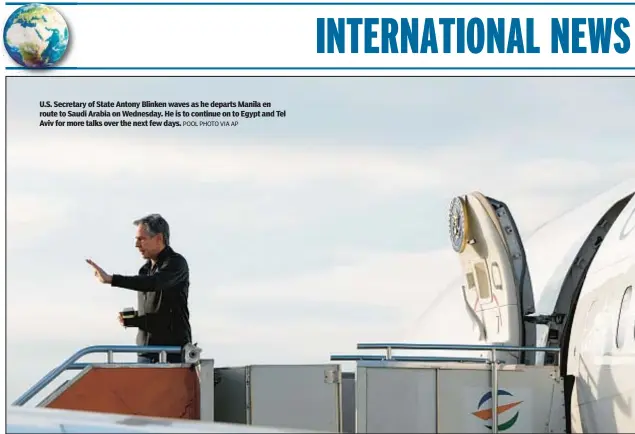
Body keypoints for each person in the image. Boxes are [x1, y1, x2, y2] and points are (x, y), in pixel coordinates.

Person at [86, 213, 192, 363]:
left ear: (159, 238)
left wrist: (112, 279)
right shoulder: (145, 270)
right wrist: (135, 319)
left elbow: (153, 283)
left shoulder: (176, 263)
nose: (137, 245)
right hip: (145, 352)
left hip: (171, 353)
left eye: (141, 239)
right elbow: (157, 313)